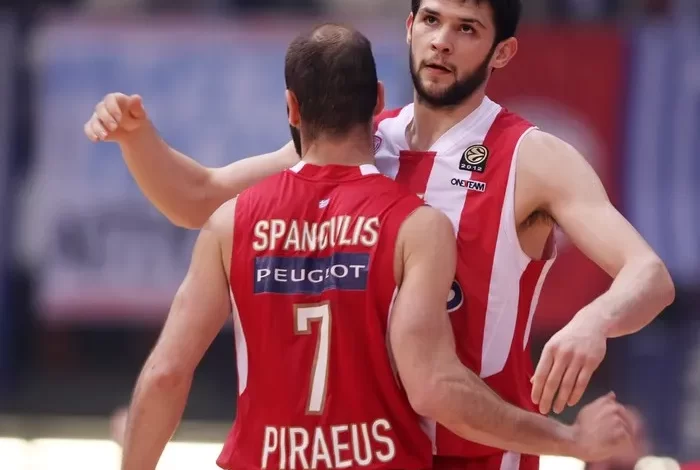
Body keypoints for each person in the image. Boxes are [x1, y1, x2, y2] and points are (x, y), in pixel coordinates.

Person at [86, 2, 675, 469]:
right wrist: (137, 139)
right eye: (432, 20)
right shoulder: (362, 138)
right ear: (409, 27)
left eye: (467, 28)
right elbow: (199, 198)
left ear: (503, 52)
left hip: (483, 451)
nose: (442, 41)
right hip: (372, 452)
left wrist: (594, 321)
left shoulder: (533, 156)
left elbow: (649, 275)